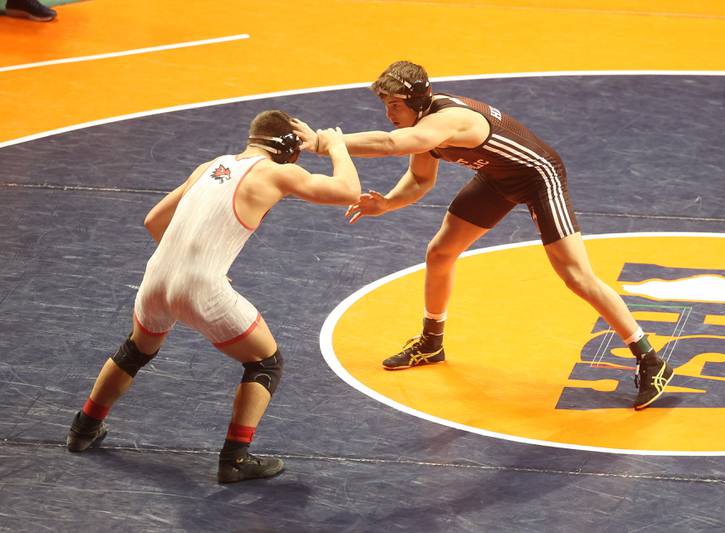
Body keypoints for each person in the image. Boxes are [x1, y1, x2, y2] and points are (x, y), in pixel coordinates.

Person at [294, 60, 674, 410]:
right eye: (386, 105)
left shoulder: (449, 121)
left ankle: (651, 359)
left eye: (394, 105)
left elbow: (391, 146)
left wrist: (328, 144)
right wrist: (389, 203)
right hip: (498, 178)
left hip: (539, 178)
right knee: (440, 252)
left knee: (575, 275)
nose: (389, 114)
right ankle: (431, 342)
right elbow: (420, 179)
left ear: (417, 101)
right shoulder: (422, 127)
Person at [66, 110, 361, 483]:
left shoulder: (210, 165)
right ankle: (235, 459)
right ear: (287, 148)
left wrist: (185, 262)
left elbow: (154, 220)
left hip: (157, 277)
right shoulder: (276, 172)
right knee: (265, 362)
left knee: (136, 351)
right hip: (202, 286)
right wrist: (336, 146)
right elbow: (348, 191)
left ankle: (83, 429)